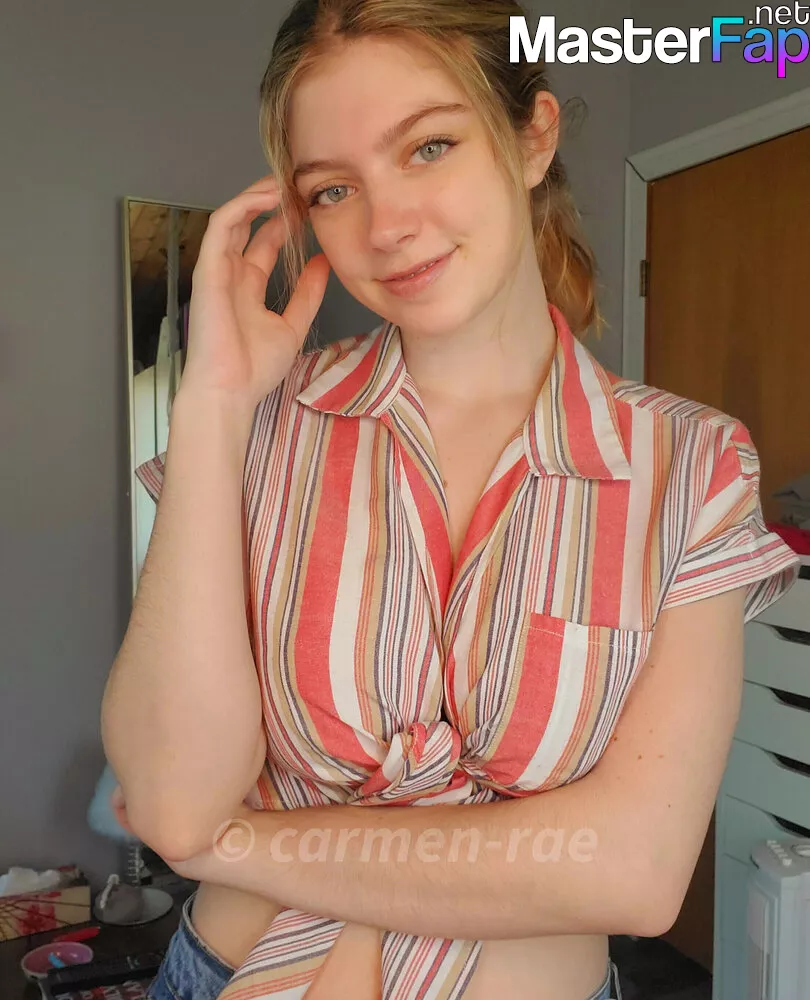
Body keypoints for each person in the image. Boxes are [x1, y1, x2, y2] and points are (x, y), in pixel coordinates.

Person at [100, 1, 801, 998]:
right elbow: (174, 794)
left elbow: (634, 874)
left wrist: (229, 843)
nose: (387, 225)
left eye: (429, 146)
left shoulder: (692, 466)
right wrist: (213, 405)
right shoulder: (260, 427)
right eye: (334, 188)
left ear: (532, 137)